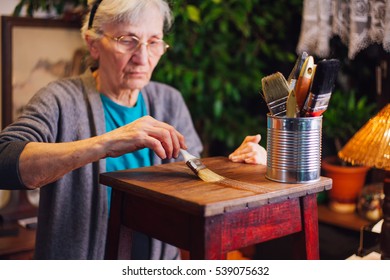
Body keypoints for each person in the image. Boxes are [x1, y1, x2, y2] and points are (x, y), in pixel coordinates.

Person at [0, 0, 266, 259]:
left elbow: (195, 177)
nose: (142, 58)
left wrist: (238, 165)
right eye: (127, 40)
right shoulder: (59, 100)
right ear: (93, 45)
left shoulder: (169, 101)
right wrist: (104, 143)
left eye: (153, 42)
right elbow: (5, 161)